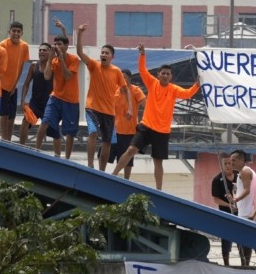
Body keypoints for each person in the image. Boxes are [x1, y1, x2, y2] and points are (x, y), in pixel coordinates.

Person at [111, 46, 199, 190]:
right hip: (146, 126)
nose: (165, 75)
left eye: (168, 74)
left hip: (162, 131)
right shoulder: (152, 83)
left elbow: (188, 94)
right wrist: (142, 55)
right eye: (163, 73)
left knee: (158, 161)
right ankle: (113, 175)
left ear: (171, 77)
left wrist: (197, 84)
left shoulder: (174, 89)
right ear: (158, 75)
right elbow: (142, 70)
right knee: (131, 149)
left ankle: (159, 190)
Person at [75, 24, 131, 170]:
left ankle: (102, 170)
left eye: (107, 53)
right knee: (93, 132)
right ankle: (90, 164)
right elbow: (80, 52)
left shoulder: (117, 71)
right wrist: (80, 33)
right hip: (92, 107)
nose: (103, 55)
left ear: (112, 56)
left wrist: (130, 108)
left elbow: (126, 90)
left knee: (107, 141)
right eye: (102, 53)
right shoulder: (94, 65)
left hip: (108, 111)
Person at [35, 21, 80, 159]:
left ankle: (66, 159)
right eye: (56, 44)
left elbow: (67, 76)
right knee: (45, 122)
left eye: (60, 44)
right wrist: (50, 60)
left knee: (70, 133)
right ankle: (36, 151)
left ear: (66, 46)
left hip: (71, 101)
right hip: (55, 98)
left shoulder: (74, 59)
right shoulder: (53, 61)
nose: (57, 47)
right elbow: (47, 76)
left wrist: (61, 59)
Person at [18, 43, 60, 154]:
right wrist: (23, 100)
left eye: (44, 50)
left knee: (54, 131)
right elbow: (26, 83)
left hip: (49, 104)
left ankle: (51, 154)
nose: (41, 52)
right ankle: (21, 149)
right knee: (25, 121)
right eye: (40, 50)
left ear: (50, 52)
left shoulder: (53, 66)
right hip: (35, 103)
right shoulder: (33, 66)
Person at [0, 21, 29, 142]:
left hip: (13, 86)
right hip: (1, 85)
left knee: (12, 115)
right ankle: (4, 139)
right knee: (4, 113)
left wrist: (15, 85)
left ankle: (9, 140)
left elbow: (21, 66)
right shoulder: (3, 45)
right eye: (14, 31)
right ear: (9, 32)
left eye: (18, 31)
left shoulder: (24, 46)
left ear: (22, 33)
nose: (16, 34)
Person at [109, 69, 145, 179]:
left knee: (128, 160)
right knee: (106, 154)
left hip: (130, 131)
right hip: (114, 130)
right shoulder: (115, 90)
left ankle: (126, 180)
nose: (122, 79)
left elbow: (146, 106)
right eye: (120, 77)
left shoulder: (136, 90)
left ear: (130, 78)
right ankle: (103, 176)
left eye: (124, 77)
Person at [228, 149, 256, 266]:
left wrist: (235, 199)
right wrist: (236, 202)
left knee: (243, 241)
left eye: (234, 160)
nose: (232, 163)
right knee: (247, 241)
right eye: (231, 161)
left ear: (241, 160)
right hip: (245, 210)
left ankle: (245, 264)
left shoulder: (244, 171)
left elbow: (247, 190)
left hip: (246, 212)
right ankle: (245, 264)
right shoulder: (247, 171)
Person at [211, 153, 239, 266]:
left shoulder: (239, 176)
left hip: (240, 213)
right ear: (222, 165)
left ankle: (244, 262)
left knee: (241, 238)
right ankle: (226, 263)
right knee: (226, 240)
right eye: (225, 163)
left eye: (230, 163)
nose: (228, 165)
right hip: (225, 214)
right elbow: (216, 199)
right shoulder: (217, 180)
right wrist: (228, 205)